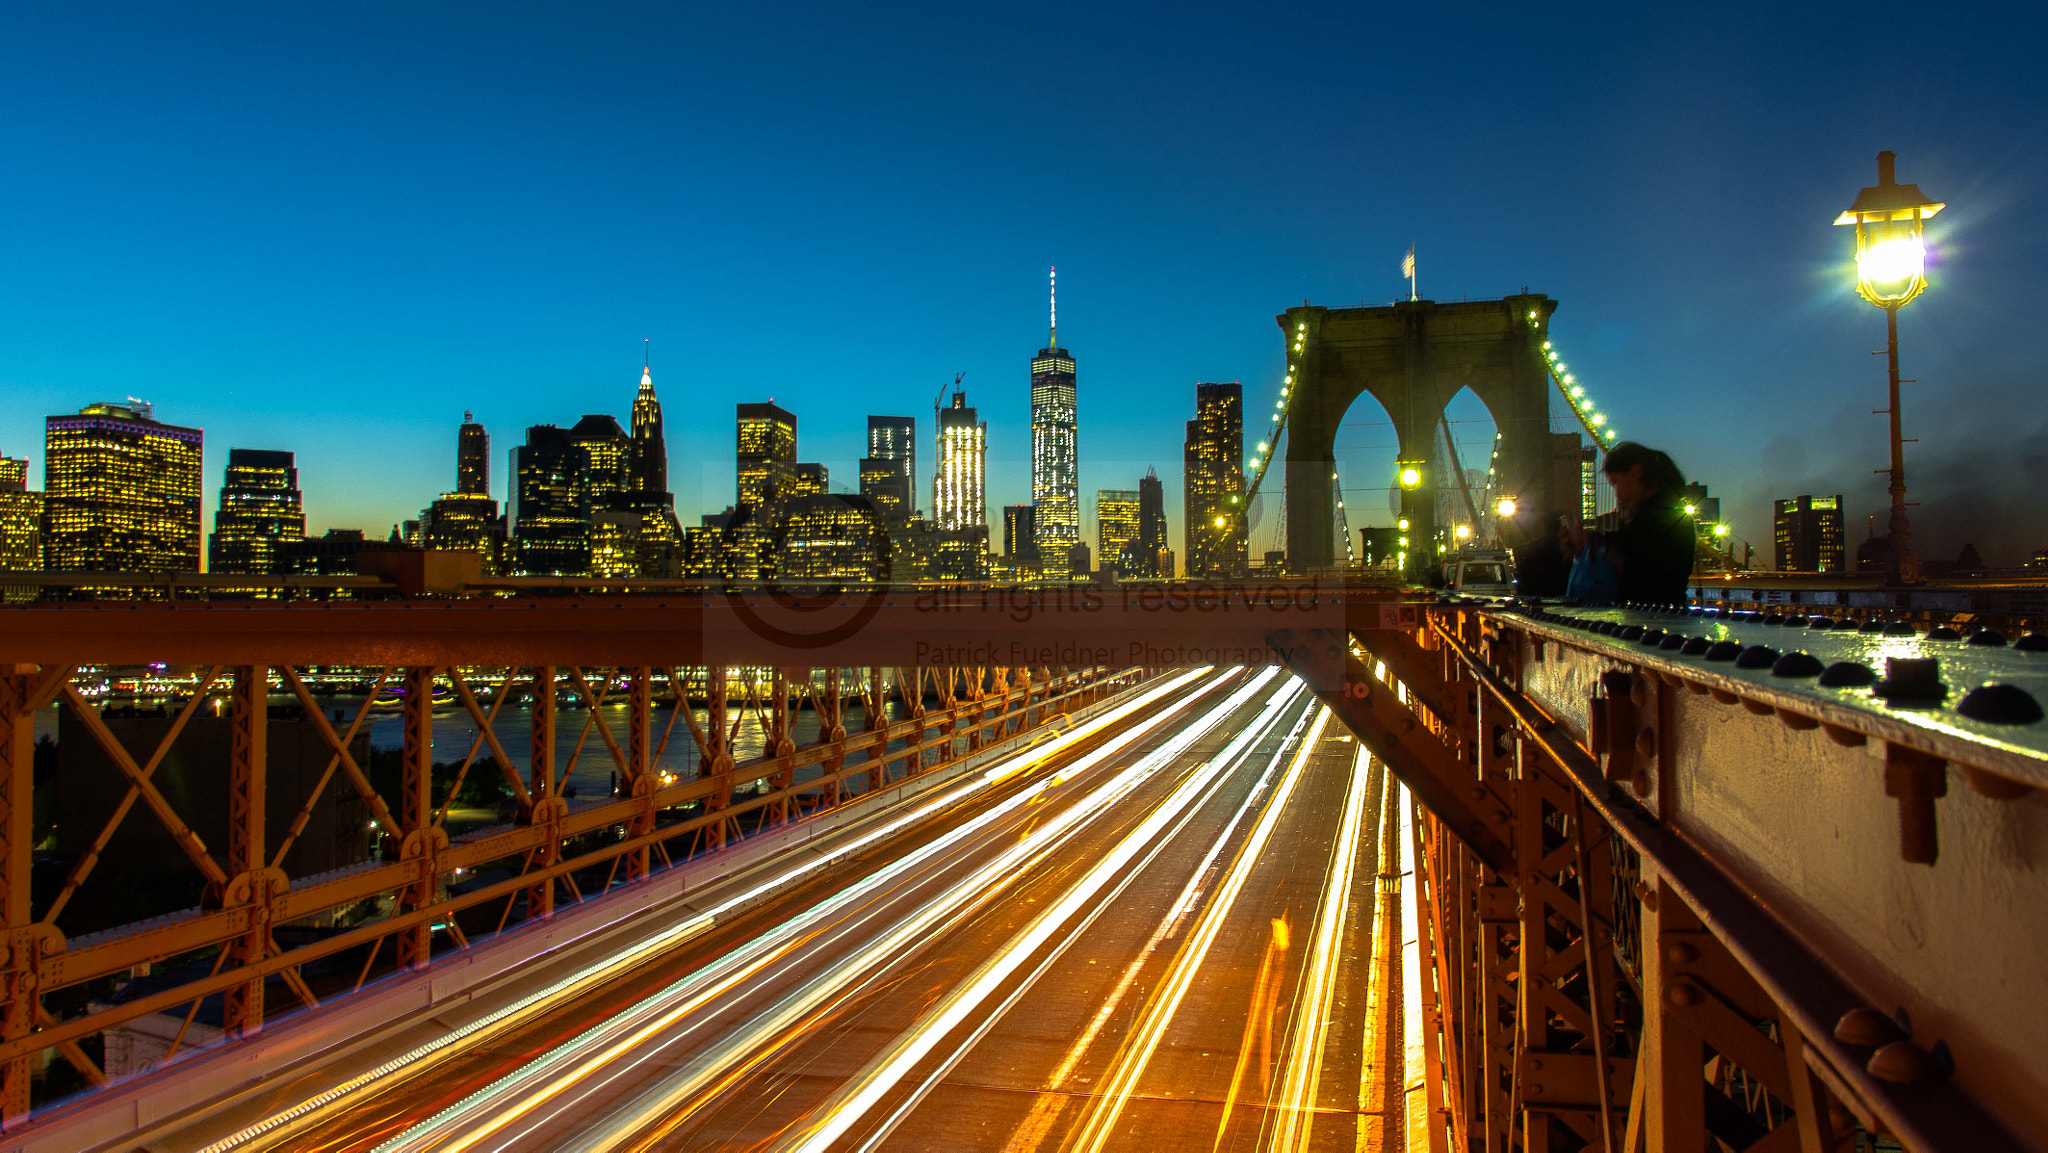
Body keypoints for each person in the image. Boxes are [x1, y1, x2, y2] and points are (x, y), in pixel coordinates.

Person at [1564, 442, 1695, 607]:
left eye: (1615, 483)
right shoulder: (1662, 512)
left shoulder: (1662, 517)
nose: (1617, 493)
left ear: (1636, 472)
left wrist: (1598, 545)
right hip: (1663, 619)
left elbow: (1640, 575)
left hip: (1655, 622)